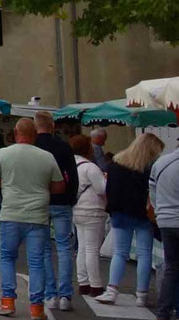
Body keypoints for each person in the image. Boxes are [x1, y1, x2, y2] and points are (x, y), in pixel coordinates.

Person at [0, 118, 64, 319]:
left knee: (6, 258)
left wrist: (8, 184)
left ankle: (7, 302)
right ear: (35, 135)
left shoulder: (3, 154)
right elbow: (59, 186)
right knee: (36, 262)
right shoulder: (47, 157)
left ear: (15, 133)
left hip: (11, 213)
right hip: (38, 215)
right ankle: (36, 307)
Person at [96, 132, 163, 307]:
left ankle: (111, 290)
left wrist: (112, 211)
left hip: (121, 213)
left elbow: (110, 190)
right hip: (143, 214)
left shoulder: (117, 163)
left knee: (120, 252)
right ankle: (141, 294)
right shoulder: (150, 167)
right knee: (144, 254)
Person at [32, 111, 77, 309]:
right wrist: (70, 197)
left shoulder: (32, 147)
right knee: (64, 247)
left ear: (35, 126)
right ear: (52, 125)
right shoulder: (63, 146)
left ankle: (50, 294)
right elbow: (72, 175)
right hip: (62, 201)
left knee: (43, 249)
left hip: (39, 202)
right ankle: (65, 294)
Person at [69, 134, 107, 298]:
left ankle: (83, 282)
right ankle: (96, 285)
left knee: (83, 247)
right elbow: (102, 189)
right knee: (92, 249)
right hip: (93, 210)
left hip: (77, 209)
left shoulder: (71, 165)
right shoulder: (90, 167)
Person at [152, 139, 179, 320]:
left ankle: (162, 318)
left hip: (165, 220)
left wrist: (161, 211)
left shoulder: (160, 163)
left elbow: (152, 193)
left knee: (171, 268)